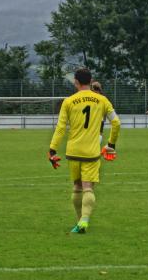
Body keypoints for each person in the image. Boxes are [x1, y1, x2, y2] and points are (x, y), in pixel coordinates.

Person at [48, 68, 121, 234]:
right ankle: (84, 221)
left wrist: (52, 149)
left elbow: (60, 128)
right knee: (88, 188)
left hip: (73, 150)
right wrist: (111, 144)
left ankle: (79, 220)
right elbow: (116, 123)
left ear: (76, 82)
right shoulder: (102, 100)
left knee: (77, 187)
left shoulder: (68, 101)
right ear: (90, 80)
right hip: (92, 151)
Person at [91, 81, 105, 146]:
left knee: (93, 133)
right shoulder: (102, 97)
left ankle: (94, 146)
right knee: (100, 133)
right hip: (101, 118)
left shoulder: (92, 96)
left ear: (93, 88)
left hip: (93, 118)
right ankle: (97, 145)